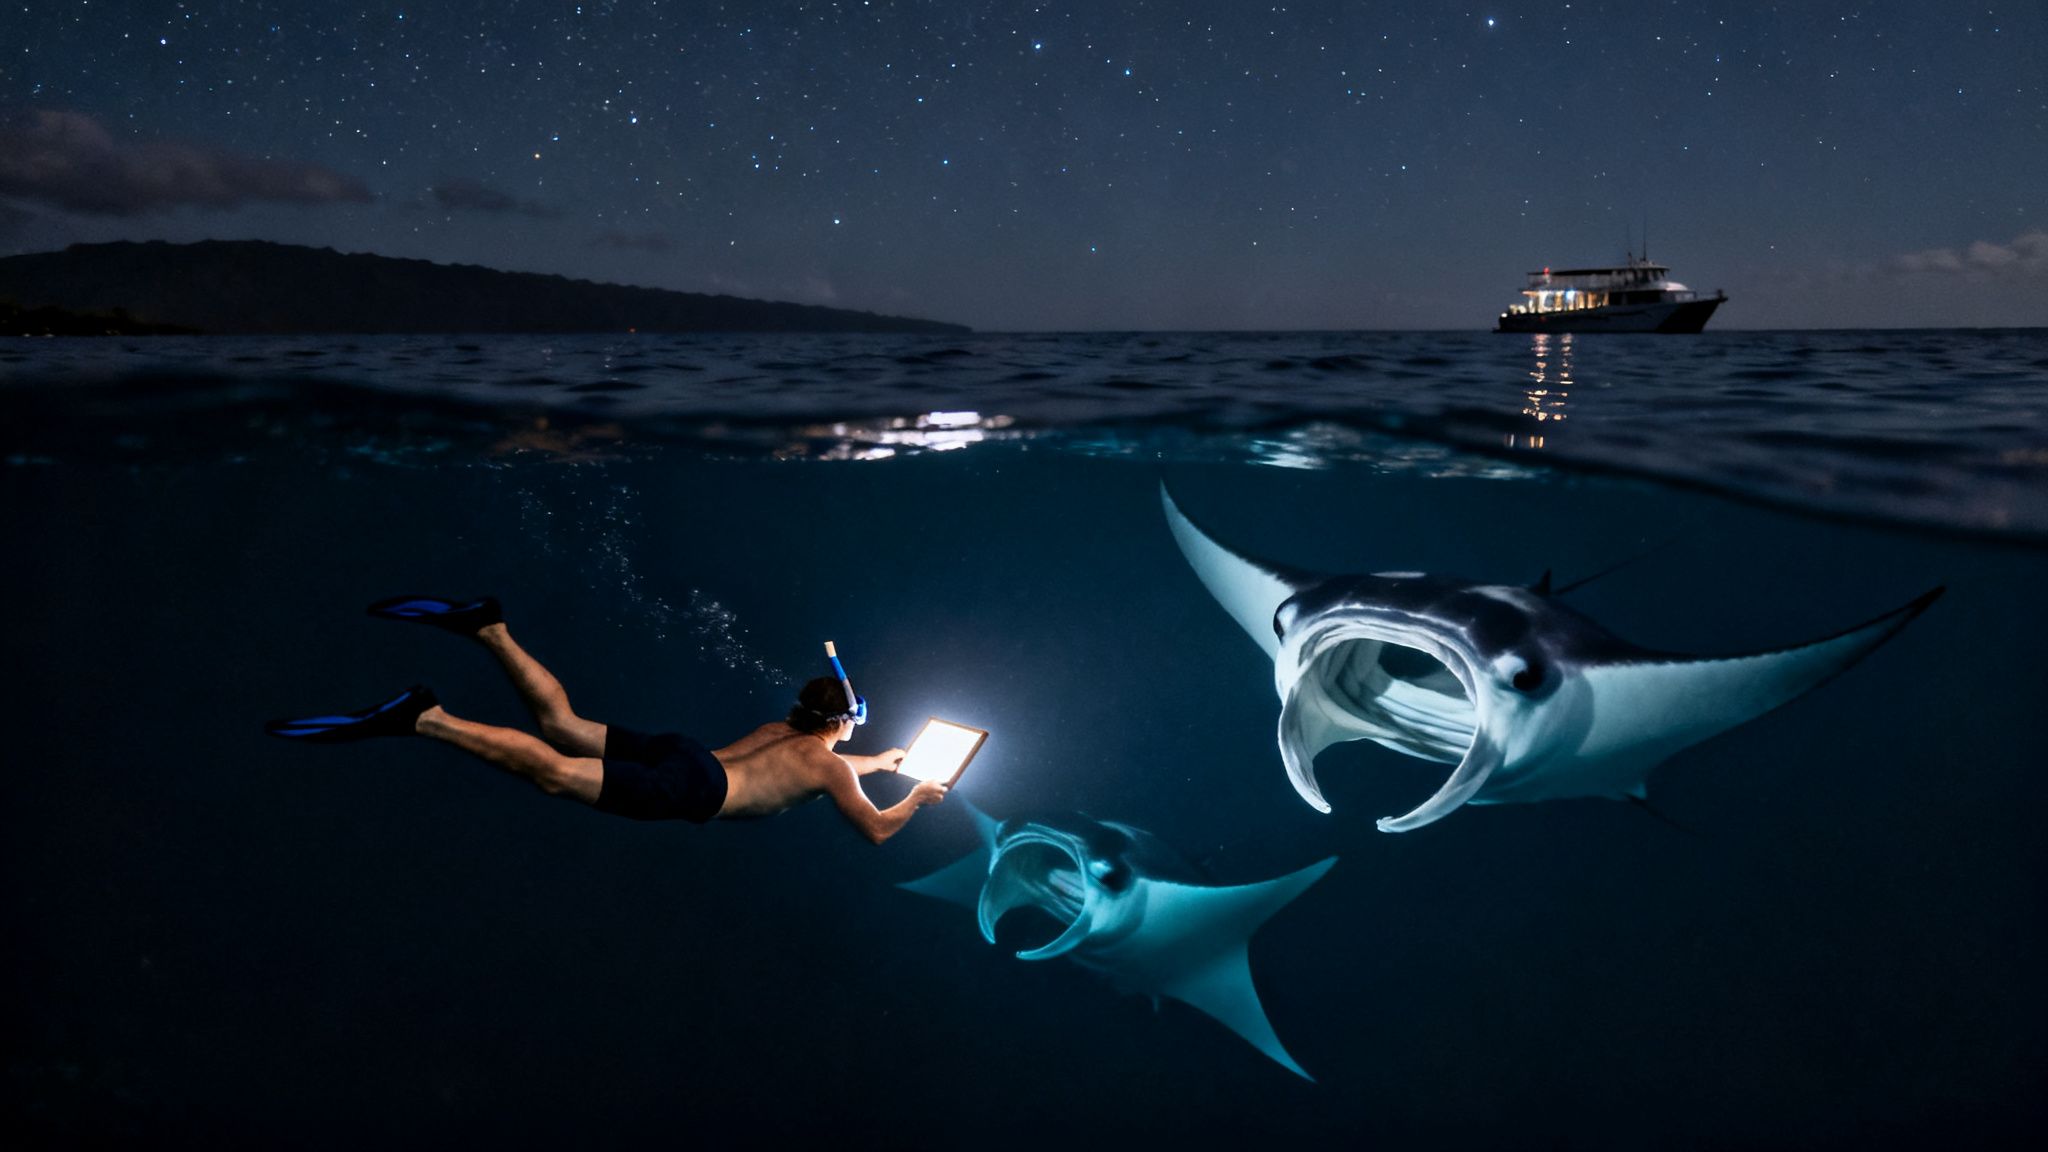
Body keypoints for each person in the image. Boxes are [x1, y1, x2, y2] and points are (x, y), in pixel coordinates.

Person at [264, 596, 948, 844]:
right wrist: (914, 795)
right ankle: (428, 718)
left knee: (563, 723)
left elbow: (824, 765)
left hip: (688, 756)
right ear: (846, 719)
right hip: (696, 793)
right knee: (558, 775)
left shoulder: (789, 734)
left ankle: (491, 629)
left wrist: (882, 762)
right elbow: (879, 831)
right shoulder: (825, 764)